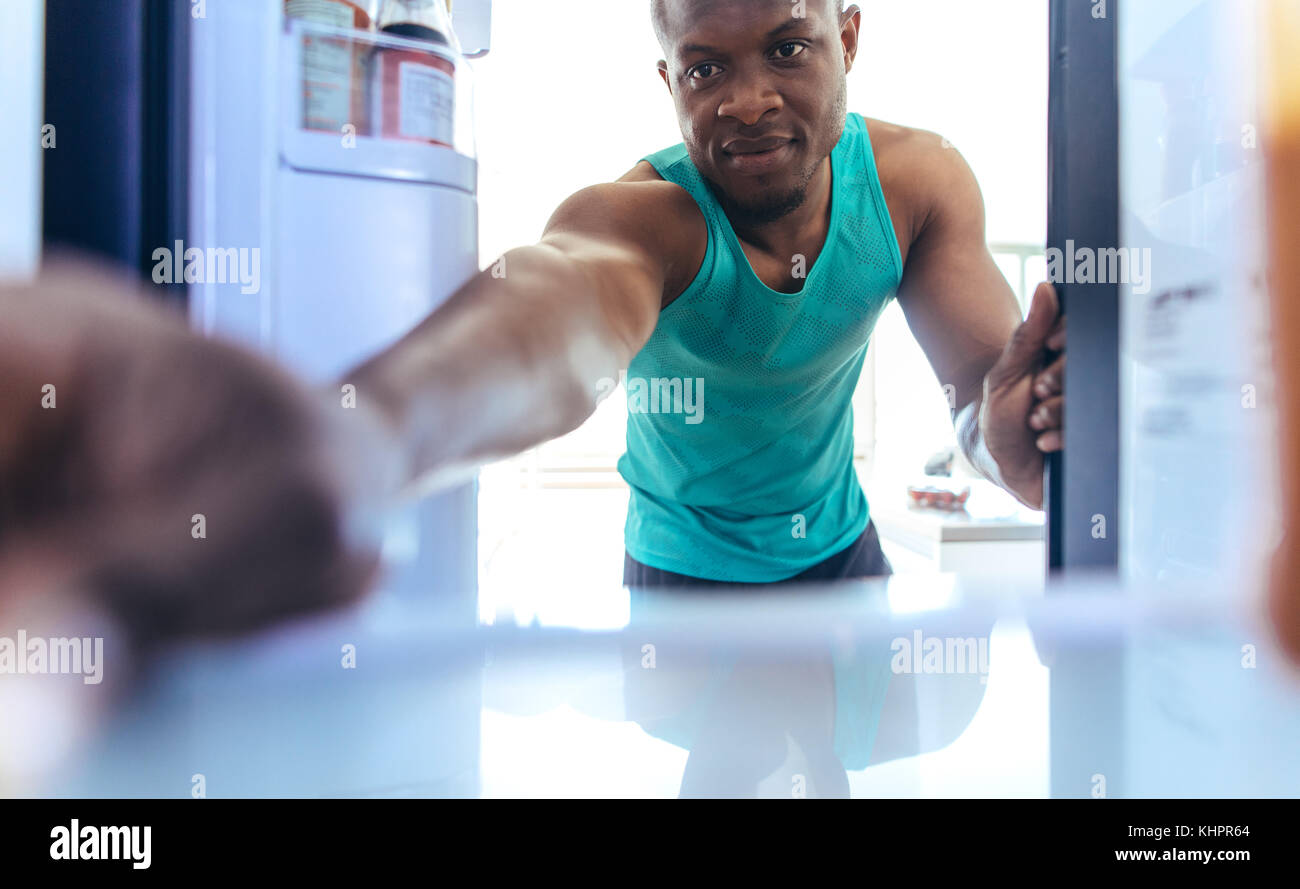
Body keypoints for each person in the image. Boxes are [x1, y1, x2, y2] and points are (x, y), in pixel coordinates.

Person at [347, 0, 1066, 587]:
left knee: (857, 760)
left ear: (846, 39)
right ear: (671, 83)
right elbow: (560, 304)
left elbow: (981, 392)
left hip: (842, 547)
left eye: (788, 49)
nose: (748, 104)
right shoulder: (645, 219)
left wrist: (1006, 450)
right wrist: (369, 432)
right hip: (679, 568)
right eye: (707, 69)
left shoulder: (918, 185)